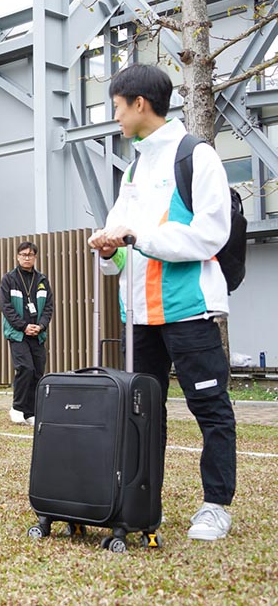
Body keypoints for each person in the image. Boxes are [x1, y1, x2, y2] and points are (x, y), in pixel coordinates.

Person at [87, 63, 237, 542]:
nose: (114, 117)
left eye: (115, 106)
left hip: (188, 308)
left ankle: (216, 505)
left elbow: (210, 234)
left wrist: (139, 236)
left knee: (211, 408)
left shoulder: (197, 155)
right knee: (141, 413)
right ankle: (140, 500)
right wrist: (109, 247)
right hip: (139, 316)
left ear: (139, 104)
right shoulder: (133, 165)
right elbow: (121, 235)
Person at [0, 241, 53, 425]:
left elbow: (48, 308)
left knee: (37, 372)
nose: (27, 258)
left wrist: (42, 326)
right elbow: (6, 307)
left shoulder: (42, 280)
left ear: (35, 257)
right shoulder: (9, 279)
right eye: (23, 254)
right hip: (17, 333)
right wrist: (23, 326)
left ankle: (31, 412)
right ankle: (17, 407)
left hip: (37, 334)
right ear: (17, 256)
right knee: (25, 368)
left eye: (30, 255)